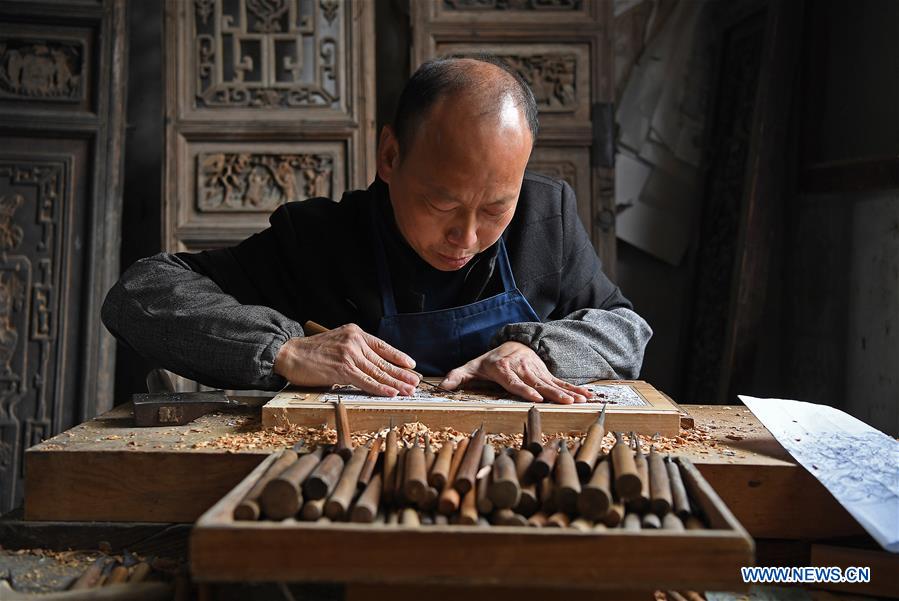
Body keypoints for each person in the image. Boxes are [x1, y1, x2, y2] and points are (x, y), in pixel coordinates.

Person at [102, 56, 652, 404]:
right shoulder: (318, 239)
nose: (465, 237)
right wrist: (283, 351)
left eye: (493, 210)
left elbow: (628, 329)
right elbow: (138, 294)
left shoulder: (544, 217)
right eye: (442, 202)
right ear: (390, 156)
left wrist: (538, 351)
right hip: (341, 495)